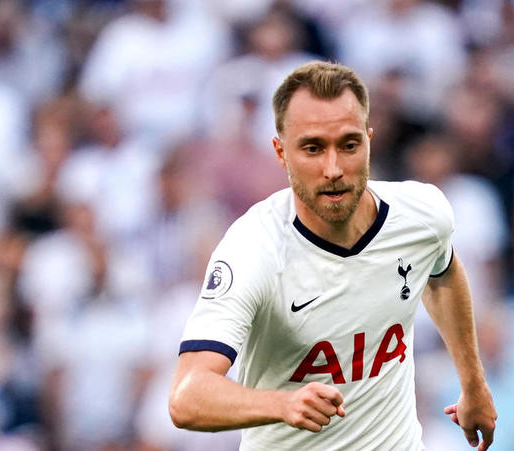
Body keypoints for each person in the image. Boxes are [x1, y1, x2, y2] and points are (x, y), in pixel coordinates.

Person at [169, 61, 497, 450]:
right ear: (281, 152)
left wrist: (473, 384)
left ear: (369, 141)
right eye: (312, 148)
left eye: (348, 145)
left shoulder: (423, 214)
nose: (333, 168)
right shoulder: (253, 250)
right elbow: (186, 397)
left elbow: (442, 275)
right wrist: (280, 404)